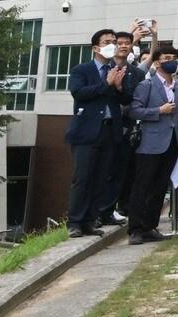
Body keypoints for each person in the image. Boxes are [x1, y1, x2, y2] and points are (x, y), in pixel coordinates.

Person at [65, 28, 131, 238]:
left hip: (110, 131)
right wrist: (106, 84)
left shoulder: (118, 69)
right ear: (96, 47)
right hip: (86, 132)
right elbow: (79, 93)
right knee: (82, 178)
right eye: (107, 42)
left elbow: (126, 99)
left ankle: (91, 220)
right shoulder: (81, 70)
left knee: (100, 179)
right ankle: (75, 222)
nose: (112, 44)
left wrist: (119, 87)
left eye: (114, 41)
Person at [127, 46, 178, 244]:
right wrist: (158, 111)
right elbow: (134, 111)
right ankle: (135, 229)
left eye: (173, 58)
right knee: (142, 186)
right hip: (150, 143)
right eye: (166, 58)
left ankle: (150, 226)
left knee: (160, 186)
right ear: (156, 62)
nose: (170, 61)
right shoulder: (147, 85)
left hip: (172, 143)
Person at [101, 26, 149, 227]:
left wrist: (120, 88)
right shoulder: (104, 66)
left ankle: (109, 210)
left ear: (132, 48)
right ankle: (96, 211)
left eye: (126, 44)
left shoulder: (136, 73)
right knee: (102, 170)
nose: (122, 47)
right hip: (102, 124)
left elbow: (133, 99)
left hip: (125, 125)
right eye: (118, 43)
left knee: (120, 170)